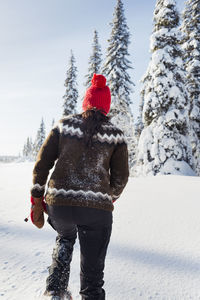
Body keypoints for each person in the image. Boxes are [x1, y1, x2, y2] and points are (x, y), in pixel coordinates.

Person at [30, 73, 129, 300]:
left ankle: (55, 291)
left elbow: (42, 164)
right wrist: (107, 197)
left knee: (65, 237)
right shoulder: (116, 136)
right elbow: (121, 177)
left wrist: (37, 198)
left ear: (86, 101)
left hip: (60, 206)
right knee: (93, 272)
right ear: (106, 106)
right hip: (97, 211)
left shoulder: (64, 125)